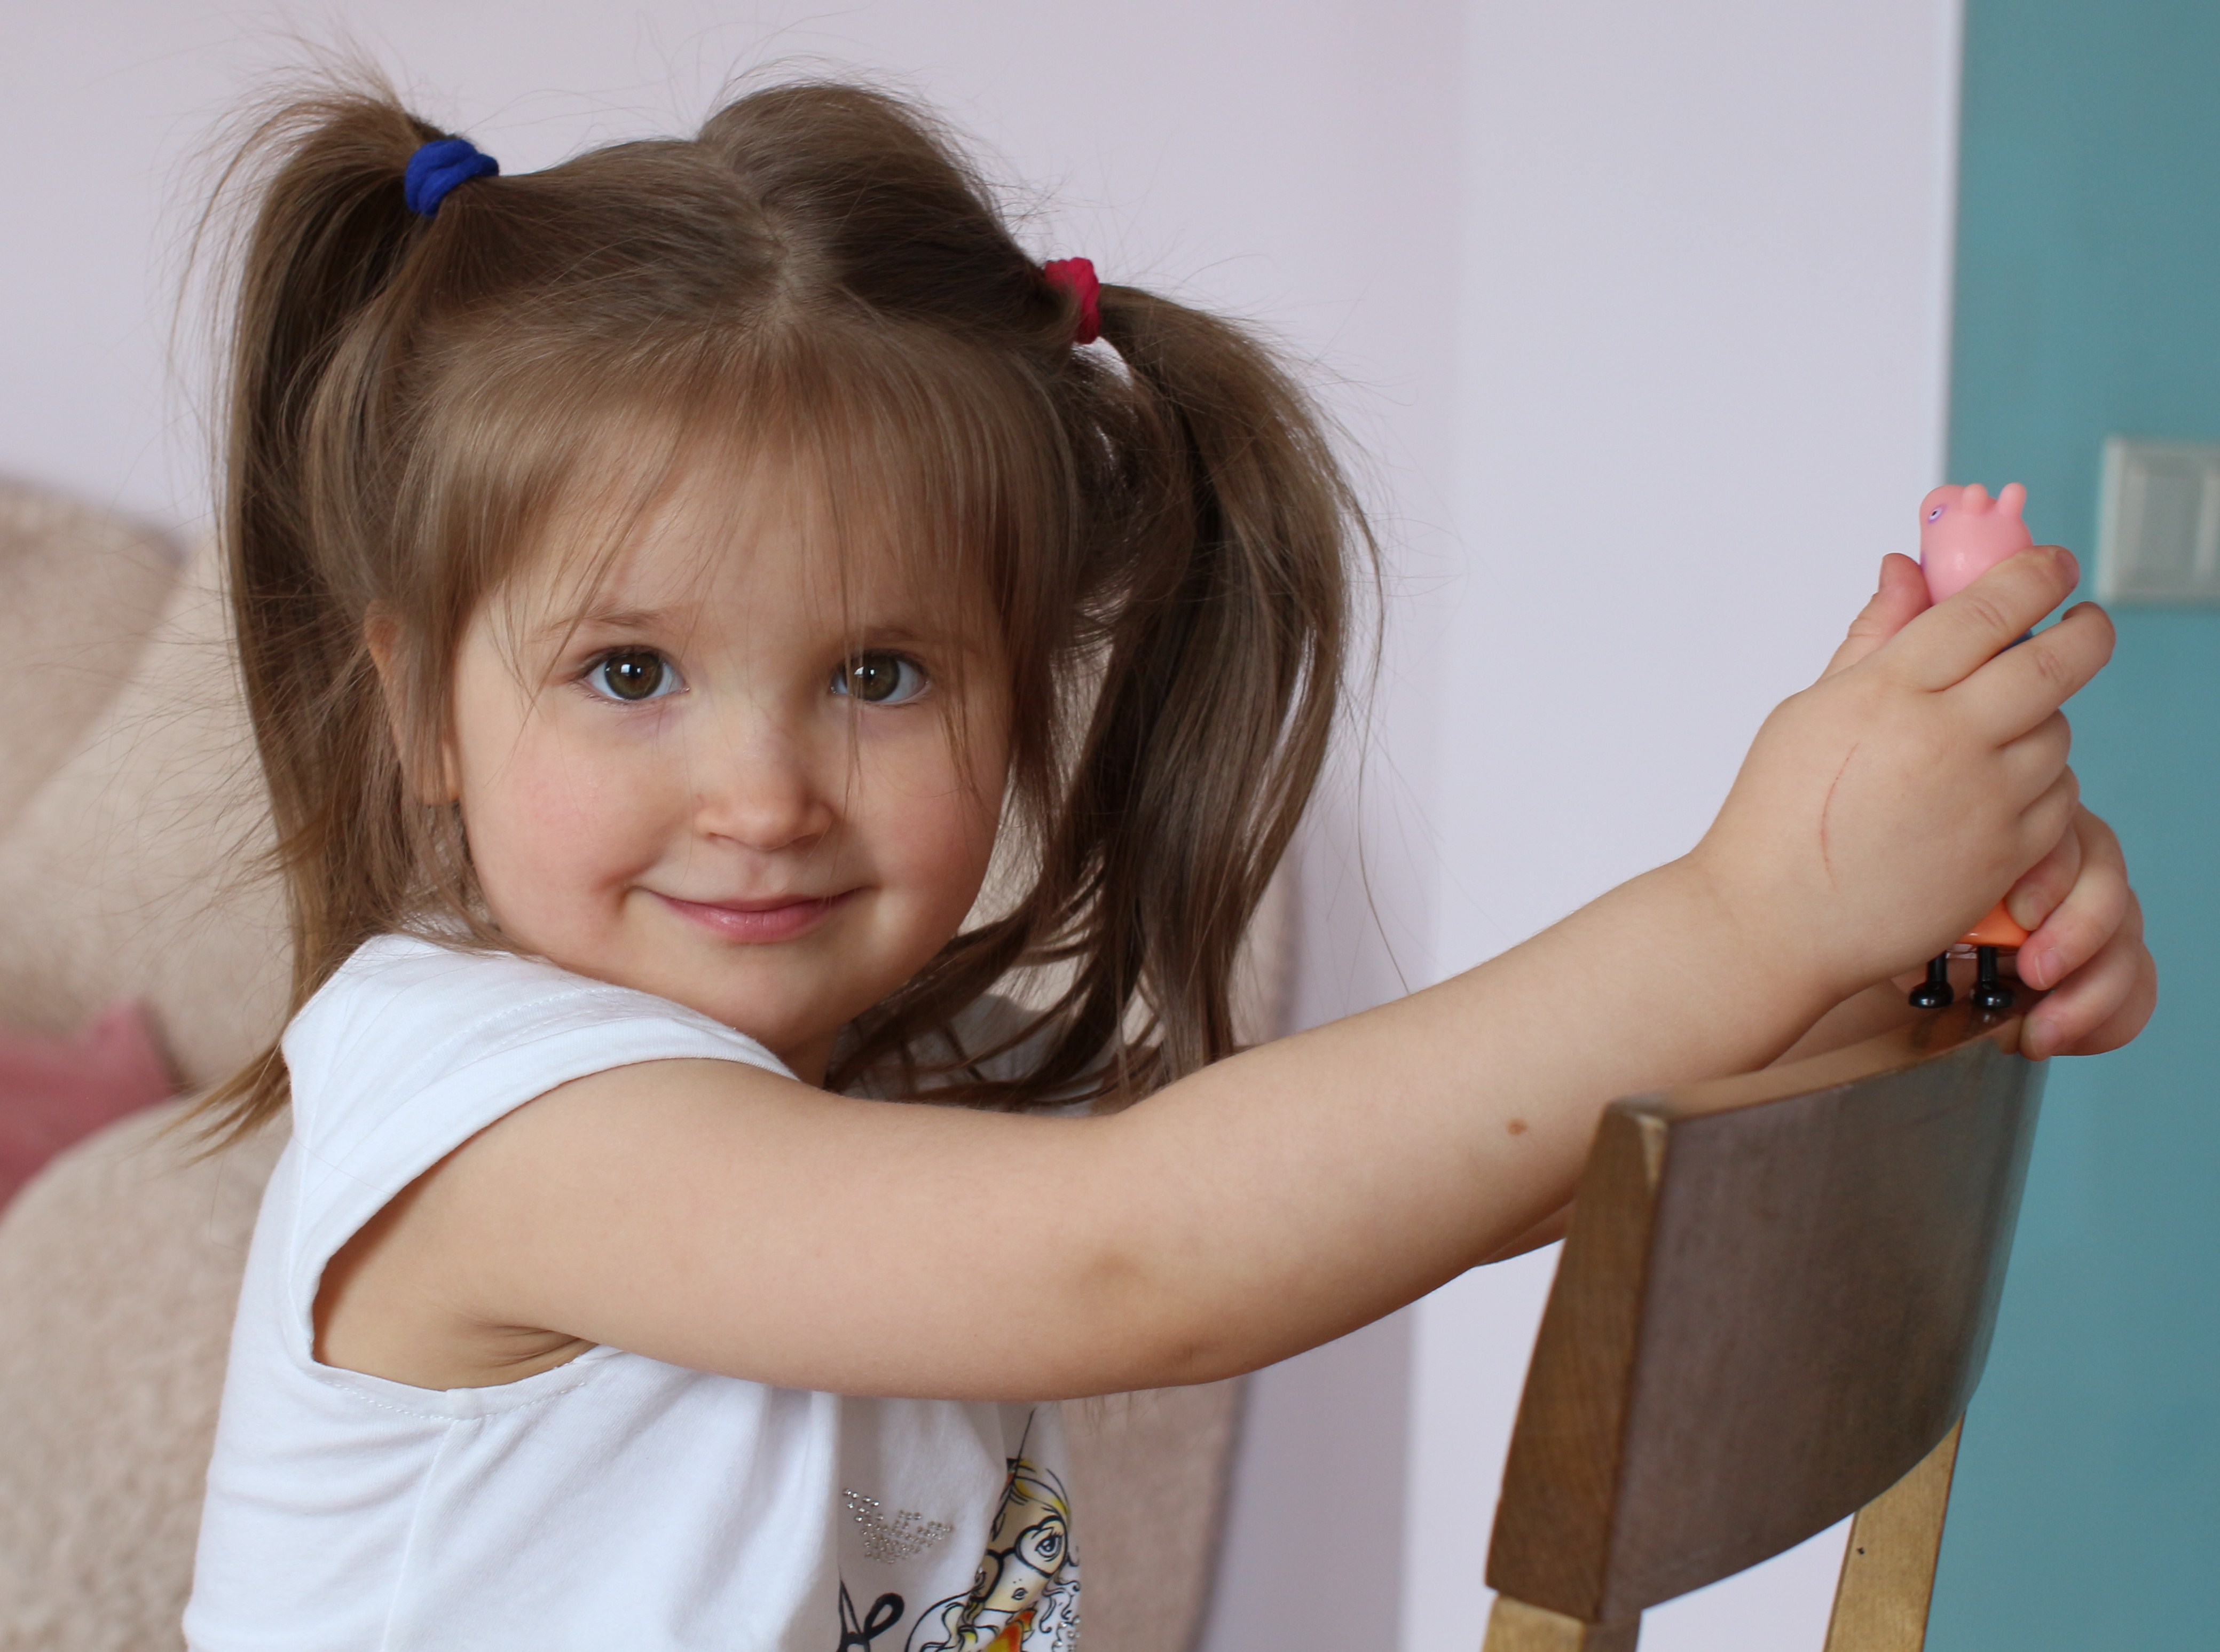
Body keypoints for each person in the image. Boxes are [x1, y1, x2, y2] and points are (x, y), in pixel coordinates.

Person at [182, 73, 2155, 1652]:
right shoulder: (482, 1107)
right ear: (420, 714)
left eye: (877, 674)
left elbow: (1455, 1183)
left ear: (1022, 696)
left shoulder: (889, 1080)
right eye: (630, 674)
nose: (763, 796)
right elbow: (1147, 1254)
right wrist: (1754, 910)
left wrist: (1909, 967)